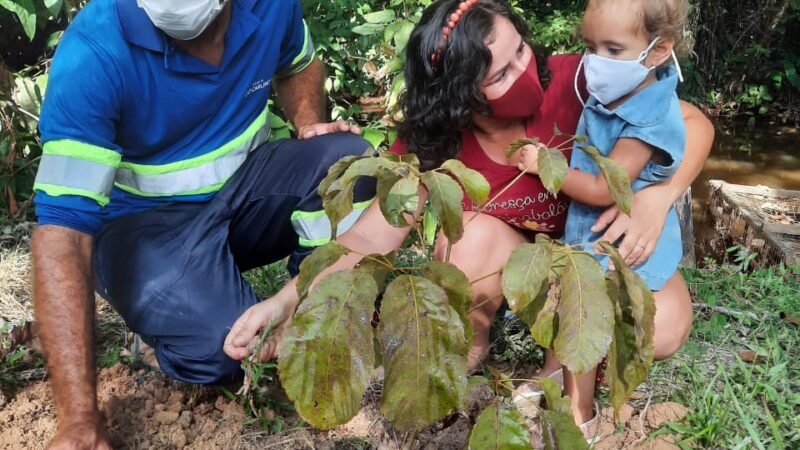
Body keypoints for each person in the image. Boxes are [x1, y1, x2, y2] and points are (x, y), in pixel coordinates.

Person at [224, 0, 713, 436]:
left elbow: (693, 123)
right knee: (469, 238)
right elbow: (371, 237)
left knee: (665, 325)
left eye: (520, 50)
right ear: (461, 94)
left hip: (590, 262)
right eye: (500, 74)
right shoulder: (436, 144)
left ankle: (564, 364)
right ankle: (466, 349)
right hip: (516, 267)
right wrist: (286, 302)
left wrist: (660, 196)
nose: (524, 70)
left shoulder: (580, 82)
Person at [31, 0, 375, 448]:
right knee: (228, 346)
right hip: (144, 231)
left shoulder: (270, 6)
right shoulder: (94, 51)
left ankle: (316, 312)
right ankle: (163, 327)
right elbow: (62, 235)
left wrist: (309, 124)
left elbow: (299, 63)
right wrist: (78, 419)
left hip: (245, 195)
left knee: (349, 164)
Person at [516, 0, 691, 438]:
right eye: (590, 47)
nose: (596, 61)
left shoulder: (648, 116)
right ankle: (553, 372)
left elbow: (602, 188)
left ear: (657, 50)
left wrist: (544, 165)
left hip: (616, 243)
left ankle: (581, 415)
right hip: (594, 236)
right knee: (569, 307)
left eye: (613, 49)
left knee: (585, 314)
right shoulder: (621, 91)